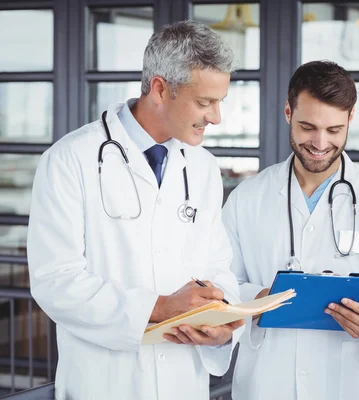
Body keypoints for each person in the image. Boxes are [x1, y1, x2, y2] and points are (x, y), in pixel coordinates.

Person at [26, 21, 245, 400]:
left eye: (219, 101)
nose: (216, 118)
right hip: (105, 382)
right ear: (160, 89)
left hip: (182, 381)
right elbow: (55, 280)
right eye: (205, 102)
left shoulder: (203, 166)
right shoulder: (70, 159)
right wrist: (159, 307)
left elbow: (217, 265)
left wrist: (224, 323)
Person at [222, 60, 359, 400]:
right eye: (307, 127)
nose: (319, 142)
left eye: (333, 130)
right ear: (287, 112)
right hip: (266, 383)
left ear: (350, 120)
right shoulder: (247, 198)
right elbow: (219, 282)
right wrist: (258, 299)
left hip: (350, 384)